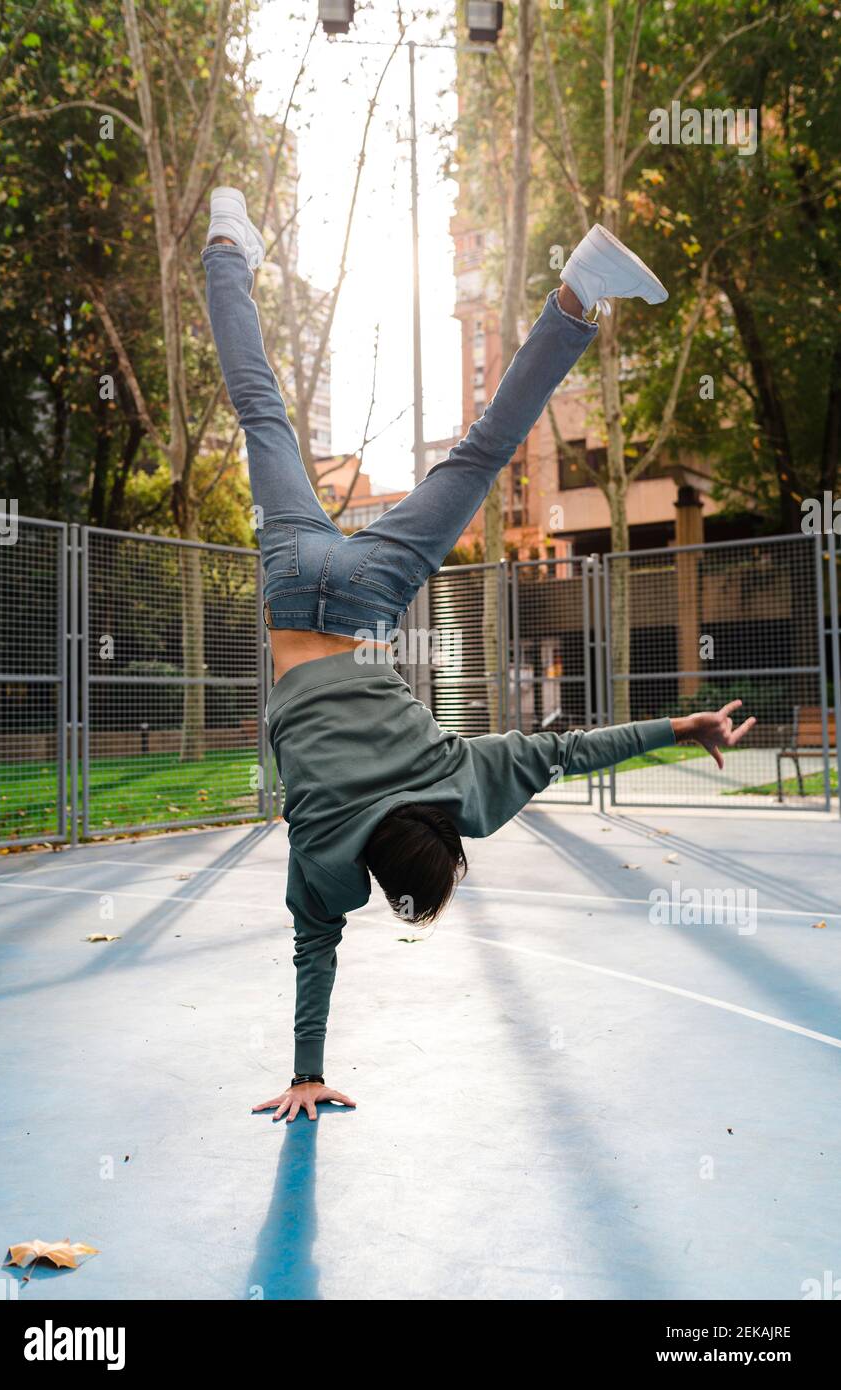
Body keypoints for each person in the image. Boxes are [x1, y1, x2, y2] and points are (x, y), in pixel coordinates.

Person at [201, 188, 756, 1123]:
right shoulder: (327, 862)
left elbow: (571, 749)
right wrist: (305, 1073)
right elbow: (313, 950)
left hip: (370, 586)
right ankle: (225, 244)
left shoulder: (459, 784)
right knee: (262, 413)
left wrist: (680, 723)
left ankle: (578, 294)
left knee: (483, 450)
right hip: (296, 580)